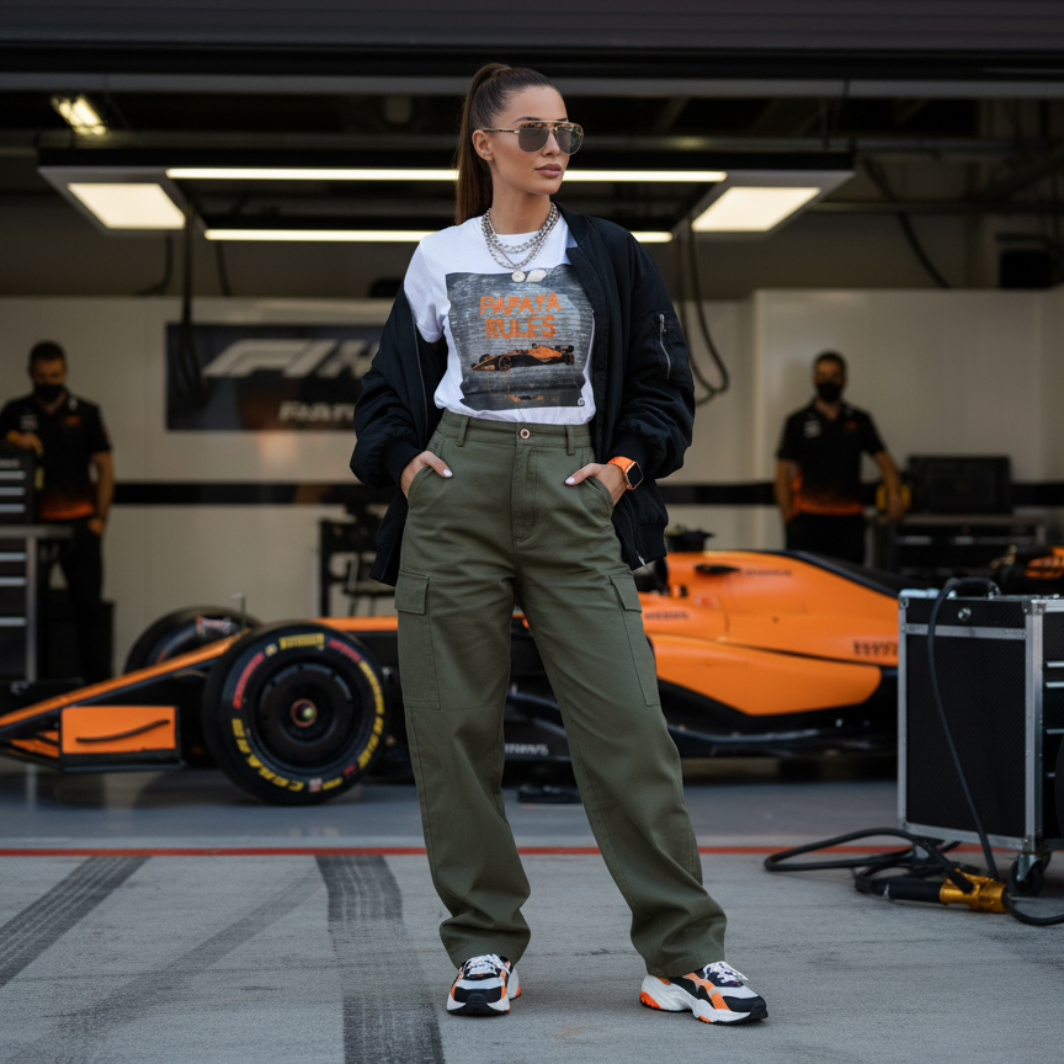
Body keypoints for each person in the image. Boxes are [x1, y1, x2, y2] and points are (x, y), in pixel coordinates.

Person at [352, 63, 767, 1025]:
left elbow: (665, 390)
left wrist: (623, 468)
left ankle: (683, 954)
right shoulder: (437, 255)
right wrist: (410, 468)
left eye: (566, 134)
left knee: (629, 727)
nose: (554, 149)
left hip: (576, 487)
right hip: (456, 488)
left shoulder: (610, 252)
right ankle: (485, 946)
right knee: (454, 733)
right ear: (485, 144)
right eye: (533, 133)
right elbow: (384, 401)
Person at [0, 341, 113, 682]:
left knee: (89, 608)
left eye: (55, 375)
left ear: (64, 373)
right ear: (31, 374)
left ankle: (97, 689)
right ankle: (34, 687)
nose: (49, 381)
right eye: (42, 375)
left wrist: (99, 520)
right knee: (32, 611)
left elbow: (105, 468)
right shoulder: (15, 412)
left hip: (80, 525)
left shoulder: (87, 412)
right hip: (31, 529)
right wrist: (13, 439)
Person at [775, 351, 904, 564]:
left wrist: (895, 497)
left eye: (835, 375)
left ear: (844, 379)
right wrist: (788, 518)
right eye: (822, 375)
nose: (828, 381)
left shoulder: (860, 420)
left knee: (850, 586)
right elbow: (781, 475)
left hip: (849, 521)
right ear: (814, 378)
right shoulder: (796, 421)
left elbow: (886, 465)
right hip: (808, 520)